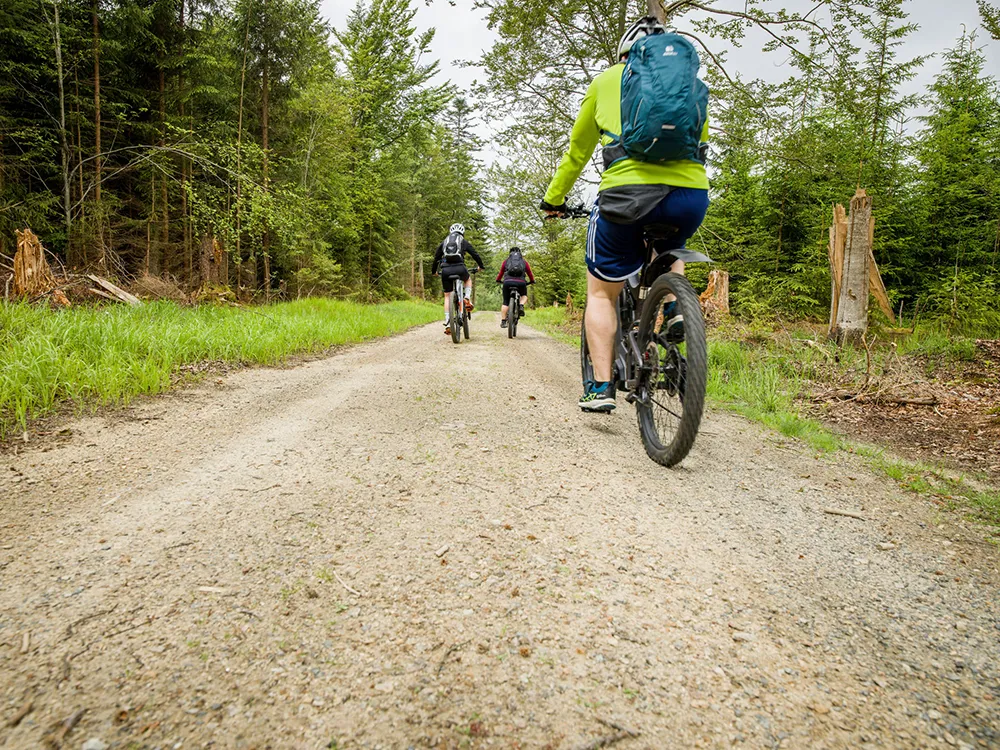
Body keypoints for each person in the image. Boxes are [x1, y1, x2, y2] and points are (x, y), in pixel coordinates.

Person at [539, 16, 710, 412]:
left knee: (601, 292)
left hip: (625, 197)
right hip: (690, 196)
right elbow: (700, 145)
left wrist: (553, 200)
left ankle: (601, 386)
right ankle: (675, 307)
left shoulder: (606, 81)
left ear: (624, 54)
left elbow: (577, 152)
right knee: (671, 245)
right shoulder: (690, 86)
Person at [431, 223, 485, 335]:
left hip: (446, 271)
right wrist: (481, 266)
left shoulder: (444, 242)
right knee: (468, 280)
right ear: (462, 232)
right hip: (460, 268)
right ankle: (466, 297)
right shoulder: (462, 241)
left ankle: (448, 321)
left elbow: (436, 258)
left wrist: (434, 271)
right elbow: (475, 254)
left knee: (447, 296)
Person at [495, 247, 535, 329]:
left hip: (507, 282)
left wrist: (498, 280)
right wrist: (532, 281)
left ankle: (503, 321)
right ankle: (521, 305)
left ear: (510, 254)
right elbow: (530, 273)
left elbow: (501, 273)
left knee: (506, 301)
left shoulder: (506, 261)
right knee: (524, 295)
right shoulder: (524, 262)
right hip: (521, 283)